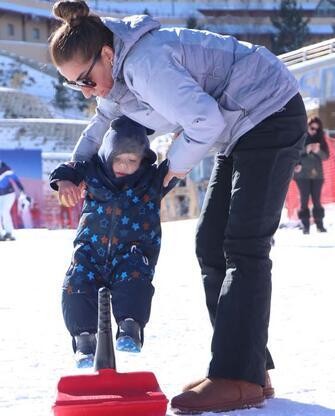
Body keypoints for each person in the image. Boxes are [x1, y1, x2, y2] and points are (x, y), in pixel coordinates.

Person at [49, 1, 307, 411]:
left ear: (108, 56)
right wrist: (74, 167)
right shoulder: (118, 75)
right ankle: (248, 369)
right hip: (241, 125)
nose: (85, 90)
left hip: (268, 112)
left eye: (85, 78)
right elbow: (102, 122)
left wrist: (172, 168)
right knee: (210, 243)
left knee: (243, 245)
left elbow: (204, 120)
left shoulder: (145, 65)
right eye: (73, 85)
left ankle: (239, 375)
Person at [50, 116, 177, 368]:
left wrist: (179, 139)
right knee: (76, 282)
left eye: (132, 160)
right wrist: (64, 181)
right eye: (118, 158)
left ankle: (130, 327)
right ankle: (84, 339)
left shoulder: (151, 181)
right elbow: (67, 168)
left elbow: (179, 163)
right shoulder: (92, 174)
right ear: (107, 154)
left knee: (134, 278)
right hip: (90, 251)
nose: (124, 165)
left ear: (142, 160)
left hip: (132, 251)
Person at [294, 116, 330, 234]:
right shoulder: (301, 136)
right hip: (302, 175)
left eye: (316, 129)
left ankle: (320, 225)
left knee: (317, 200)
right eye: (312, 128)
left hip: (317, 175)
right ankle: (305, 226)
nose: (314, 131)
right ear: (307, 126)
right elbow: (294, 153)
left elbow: (326, 156)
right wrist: (306, 149)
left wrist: (317, 151)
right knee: (304, 200)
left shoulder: (321, 139)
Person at [0, 160, 26, 241]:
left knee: (4, 211)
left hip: (9, 194)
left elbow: (16, 180)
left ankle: (9, 233)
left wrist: (22, 190)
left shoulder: (7, 170)